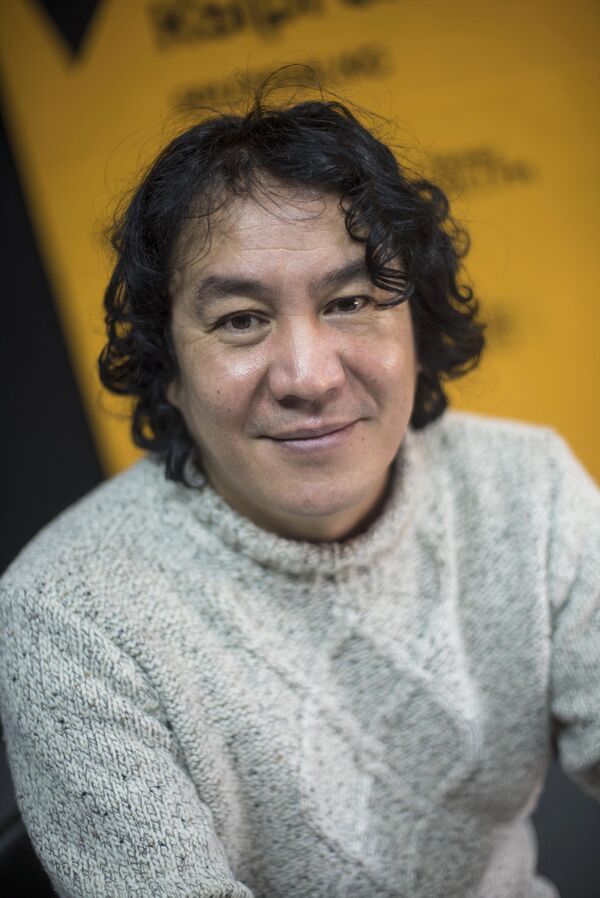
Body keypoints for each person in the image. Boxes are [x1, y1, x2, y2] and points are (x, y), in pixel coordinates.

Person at [0, 85, 599, 898]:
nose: (309, 378)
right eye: (241, 320)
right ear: (168, 369)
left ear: (417, 328)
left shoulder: (528, 490)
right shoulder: (70, 614)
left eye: (351, 302)